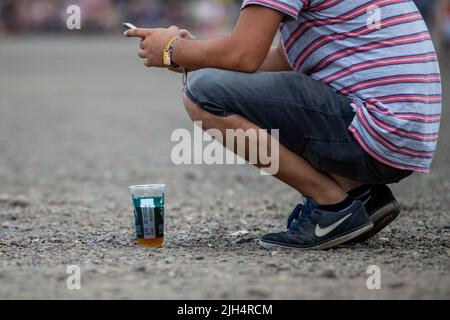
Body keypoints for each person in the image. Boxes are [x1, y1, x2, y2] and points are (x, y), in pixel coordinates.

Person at [125, 0, 442, 250]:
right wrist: (198, 53)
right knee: (214, 79)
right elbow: (283, 58)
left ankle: (333, 208)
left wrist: (171, 50)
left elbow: (244, 55)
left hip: (374, 129)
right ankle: (360, 195)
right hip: (404, 136)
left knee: (203, 90)